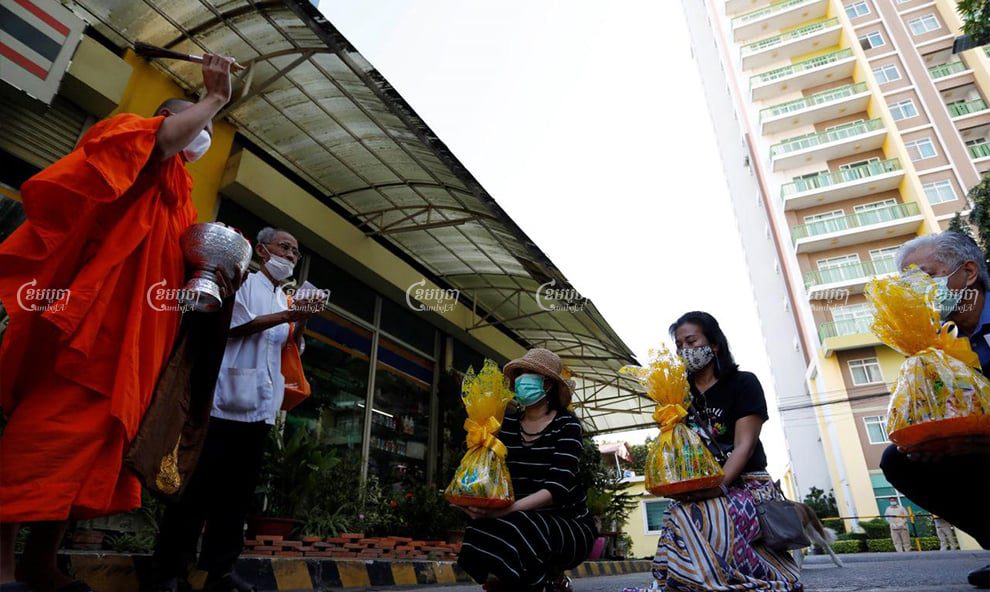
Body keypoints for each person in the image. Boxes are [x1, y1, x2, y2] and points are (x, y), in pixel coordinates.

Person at [0, 55, 236, 592]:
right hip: (87, 332)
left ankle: (41, 560)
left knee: (86, 457)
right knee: (41, 440)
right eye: (198, 124)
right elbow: (159, 143)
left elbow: (167, 271)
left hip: (134, 346)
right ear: (169, 119)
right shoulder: (129, 136)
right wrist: (213, 100)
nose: (202, 136)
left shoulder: (181, 197)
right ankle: (4, 565)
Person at [152, 228, 321, 592]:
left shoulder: (283, 298)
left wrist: (301, 319)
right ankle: (170, 571)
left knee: (235, 500)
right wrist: (288, 317)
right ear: (262, 250)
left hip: (259, 413)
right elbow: (231, 327)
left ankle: (220, 572)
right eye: (284, 247)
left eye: (295, 252)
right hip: (221, 404)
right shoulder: (242, 282)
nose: (290, 256)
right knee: (194, 493)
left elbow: (289, 345)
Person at [651, 311, 802, 592]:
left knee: (702, 515)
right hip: (699, 485)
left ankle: (724, 581)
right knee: (676, 513)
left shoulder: (743, 383)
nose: (685, 350)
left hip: (747, 483)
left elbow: (744, 445)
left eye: (691, 341)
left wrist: (718, 487)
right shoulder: (678, 396)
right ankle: (688, 582)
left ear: (715, 344)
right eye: (679, 345)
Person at [882, 231, 990, 588]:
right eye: (908, 284)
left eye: (927, 277)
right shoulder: (939, 345)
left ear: (968, 273)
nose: (918, 292)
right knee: (898, 460)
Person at [456, 348, 597, 592]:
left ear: (549, 384)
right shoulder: (506, 425)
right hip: (519, 517)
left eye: (531, 373)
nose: (523, 379)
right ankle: (527, 582)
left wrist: (505, 512)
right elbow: (492, 475)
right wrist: (475, 500)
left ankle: (542, 584)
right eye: (521, 373)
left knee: (517, 525)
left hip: (569, 523)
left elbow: (557, 488)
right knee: (479, 530)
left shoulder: (567, 425)